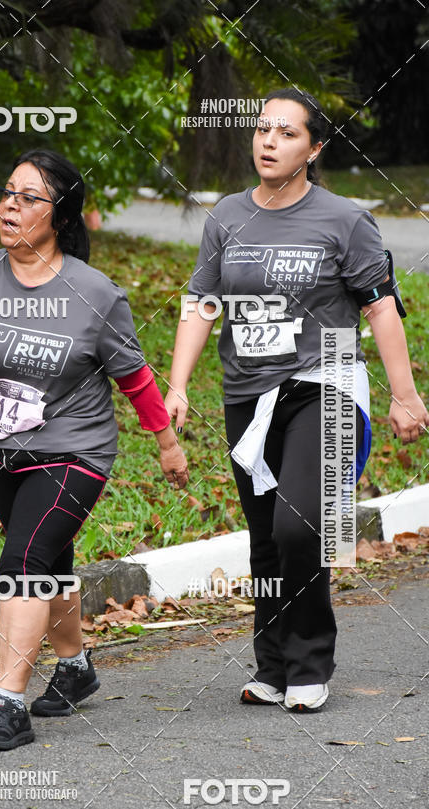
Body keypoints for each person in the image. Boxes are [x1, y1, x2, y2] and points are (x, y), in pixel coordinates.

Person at [165, 87, 428, 712]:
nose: (269, 141)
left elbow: (380, 306)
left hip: (325, 380)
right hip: (246, 391)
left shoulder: (344, 219)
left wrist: (404, 394)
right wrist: (177, 384)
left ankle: (311, 661)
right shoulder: (227, 216)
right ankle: (274, 666)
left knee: (298, 521)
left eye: (286, 133)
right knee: (264, 535)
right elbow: (203, 302)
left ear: (314, 148)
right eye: (262, 130)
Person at [0, 149, 188, 750]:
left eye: (29, 197)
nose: (10, 205)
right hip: (4, 449)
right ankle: (75, 667)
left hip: (75, 451)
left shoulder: (94, 293)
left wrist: (167, 445)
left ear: (61, 217)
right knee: (51, 561)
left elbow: (135, 378)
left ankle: (8, 706)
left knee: (20, 565)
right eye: (7, 193)